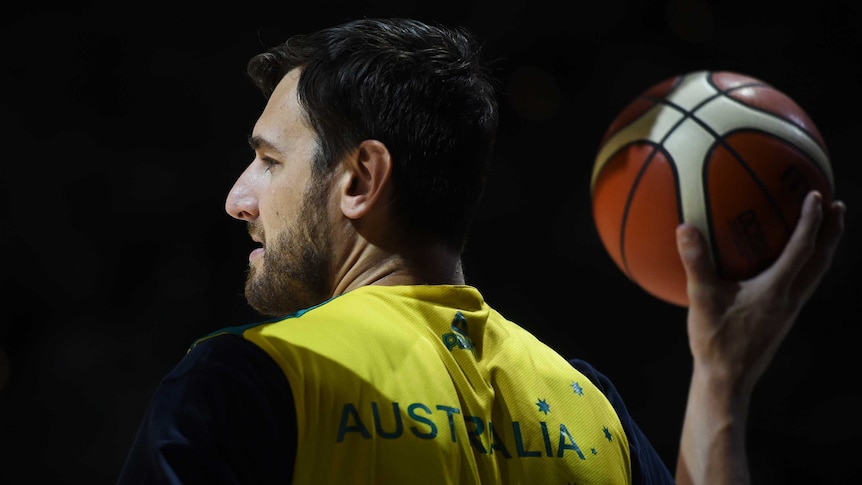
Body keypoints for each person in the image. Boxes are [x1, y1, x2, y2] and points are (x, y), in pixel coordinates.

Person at [116, 18, 846, 485]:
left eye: (270, 162)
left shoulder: (244, 382)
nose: (238, 199)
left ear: (362, 179)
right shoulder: (588, 406)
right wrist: (724, 380)